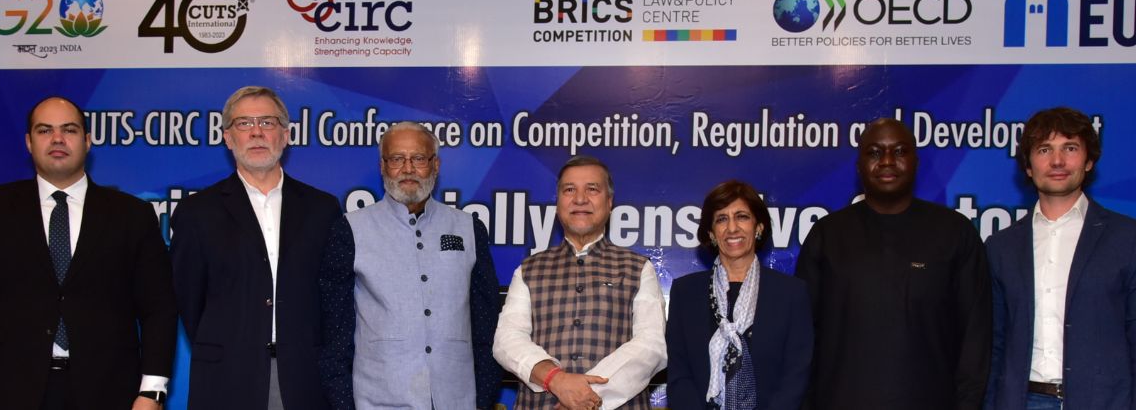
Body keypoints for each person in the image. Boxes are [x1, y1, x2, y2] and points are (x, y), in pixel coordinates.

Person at [0, 96, 176, 410]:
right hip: (4, 389)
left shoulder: (132, 215)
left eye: (69, 130)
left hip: (108, 391)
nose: (58, 138)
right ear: (29, 142)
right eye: (45, 130)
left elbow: (159, 308)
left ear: (87, 141)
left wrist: (152, 391)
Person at [794, 118, 990, 410]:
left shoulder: (955, 233)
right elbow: (801, 339)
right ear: (859, 166)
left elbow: (975, 337)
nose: (887, 161)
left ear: (916, 162)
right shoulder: (827, 235)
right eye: (875, 152)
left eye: (899, 151)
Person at [172, 86, 342, 409]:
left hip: (305, 378)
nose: (256, 132)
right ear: (227, 138)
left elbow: (334, 302)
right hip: (226, 378)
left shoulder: (322, 209)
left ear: (286, 135)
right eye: (244, 123)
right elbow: (189, 301)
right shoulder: (197, 213)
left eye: (267, 122)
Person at [986, 107, 1136, 410]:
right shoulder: (1001, 247)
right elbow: (994, 344)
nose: (1057, 161)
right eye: (1044, 149)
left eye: (1070, 148)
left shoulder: (1127, 237)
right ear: (1028, 166)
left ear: (1089, 160)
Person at [317, 122, 502, 409]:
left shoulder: (468, 229)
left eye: (418, 158)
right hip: (378, 401)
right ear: (382, 166)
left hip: (456, 400)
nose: (408, 169)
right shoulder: (351, 230)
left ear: (435, 165)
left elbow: (486, 327)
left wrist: (483, 400)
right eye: (397, 159)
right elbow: (334, 333)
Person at [494, 155, 667, 410]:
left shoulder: (639, 268)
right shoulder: (528, 269)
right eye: (569, 190)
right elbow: (507, 339)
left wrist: (585, 396)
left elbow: (651, 346)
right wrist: (556, 380)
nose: (580, 199)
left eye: (592, 189)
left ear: (609, 202)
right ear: (558, 203)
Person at [665, 180, 812, 410]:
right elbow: (678, 372)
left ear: (759, 227)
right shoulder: (685, 292)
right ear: (711, 233)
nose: (732, 228)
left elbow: (796, 374)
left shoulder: (791, 293)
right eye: (721, 219)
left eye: (742, 217)